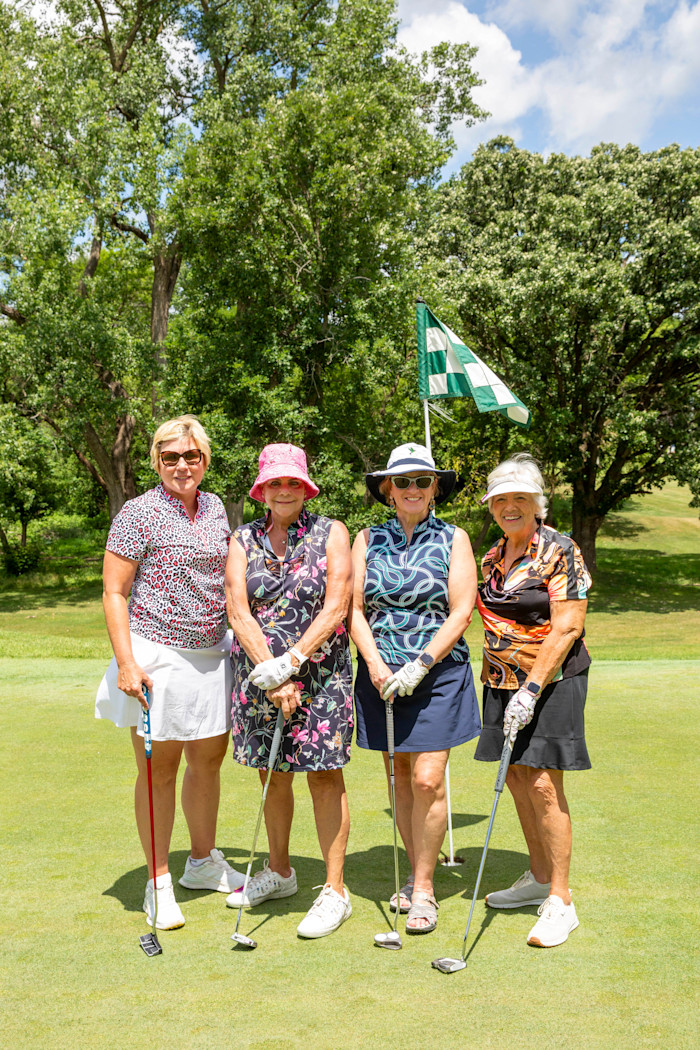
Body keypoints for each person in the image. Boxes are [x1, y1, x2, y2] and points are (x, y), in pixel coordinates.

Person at [96, 415, 244, 931]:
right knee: (160, 770)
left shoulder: (216, 507)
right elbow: (114, 591)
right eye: (170, 457)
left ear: (204, 459)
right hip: (156, 654)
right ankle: (157, 882)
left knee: (208, 761)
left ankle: (201, 862)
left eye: (191, 456)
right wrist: (127, 662)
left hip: (212, 654)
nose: (182, 465)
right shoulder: (138, 512)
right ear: (157, 462)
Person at [350, 442, 480, 935]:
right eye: (402, 481)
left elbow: (461, 611)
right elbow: (353, 608)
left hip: (437, 672)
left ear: (435, 488)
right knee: (399, 775)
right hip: (381, 674)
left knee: (427, 779)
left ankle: (423, 889)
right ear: (388, 488)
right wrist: (376, 664)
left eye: (422, 480)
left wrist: (420, 664)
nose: (412, 488)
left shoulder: (453, 538)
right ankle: (416, 871)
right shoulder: (368, 538)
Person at [225, 443, 354, 939]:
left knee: (324, 776)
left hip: (322, 676)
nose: (284, 490)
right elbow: (238, 610)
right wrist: (273, 674)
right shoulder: (243, 538)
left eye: (292, 482)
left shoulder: (331, 532)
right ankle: (280, 872)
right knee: (272, 775)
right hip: (260, 677)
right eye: (274, 482)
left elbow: (337, 604)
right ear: (262, 489)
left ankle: (335, 891)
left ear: (305, 487)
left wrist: (293, 662)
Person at [474, 453, 592, 948]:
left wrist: (531, 688)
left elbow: (568, 626)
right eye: (501, 499)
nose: (510, 506)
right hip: (500, 681)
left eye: (520, 497)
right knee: (516, 776)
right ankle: (540, 876)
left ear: (537, 503)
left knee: (543, 781)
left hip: (553, 680)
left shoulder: (561, 550)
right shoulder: (491, 557)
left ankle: (561, 901)